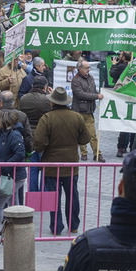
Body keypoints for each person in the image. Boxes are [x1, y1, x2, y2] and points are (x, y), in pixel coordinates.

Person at [32, 87, 89, 235]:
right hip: (71, 164)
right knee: (72, 195)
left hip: (51, 165)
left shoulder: (47, 118)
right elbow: (85, 138)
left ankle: (56, 227)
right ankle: (74, 225)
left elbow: (38, 143)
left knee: (53, 197)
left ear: (52, 103)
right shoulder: (77, 117)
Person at [0, 110, 27, 238]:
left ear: (5, 122)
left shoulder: (14, 135)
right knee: (13, 204)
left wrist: (5, 165)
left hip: (14, 176)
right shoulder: (1, 133)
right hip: (8, 175)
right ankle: (16, 232)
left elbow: (20, 154)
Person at [71, 59, 104, 162]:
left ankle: (97, 153)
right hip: (79, 111)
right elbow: (81, 94)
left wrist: (101, 94)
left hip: (89, 111)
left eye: (89, 68)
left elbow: (93, 91)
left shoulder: (91, 78)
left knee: (92, 134)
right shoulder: (75, 80)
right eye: (86, 68)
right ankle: (83, 153)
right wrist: (96, 96)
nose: (88, 70)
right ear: (80, 69)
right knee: (81, 134)